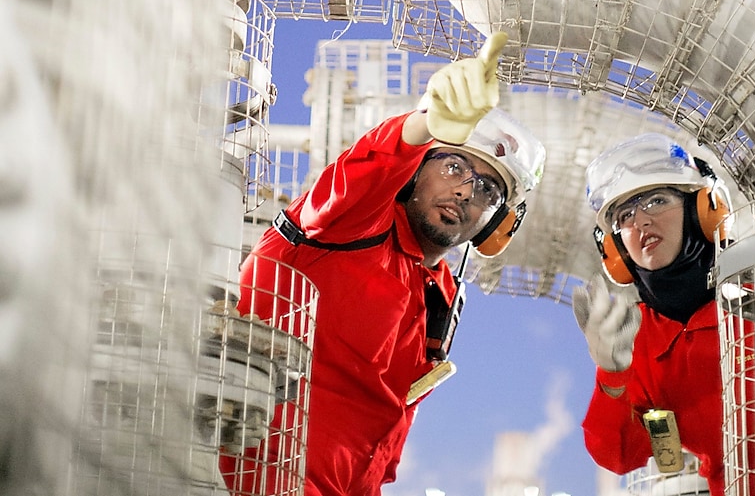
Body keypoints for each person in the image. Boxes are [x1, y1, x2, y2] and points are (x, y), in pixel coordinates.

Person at [219, 32, 546, 496]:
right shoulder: (348, 224)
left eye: (489, 191)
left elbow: (382, 437)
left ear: (498, 224)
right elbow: (367, 167)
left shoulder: (442, 298)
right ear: (415, 169)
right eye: (454, 167)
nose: (465, 192)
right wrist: (425, 123)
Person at [572, 133, 755, 495]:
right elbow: (617, 454)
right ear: (614, 249)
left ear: (706, 211)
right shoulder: (639, 338)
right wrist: (612, 375)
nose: (641, 222)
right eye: (624, 215)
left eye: (657, 200)